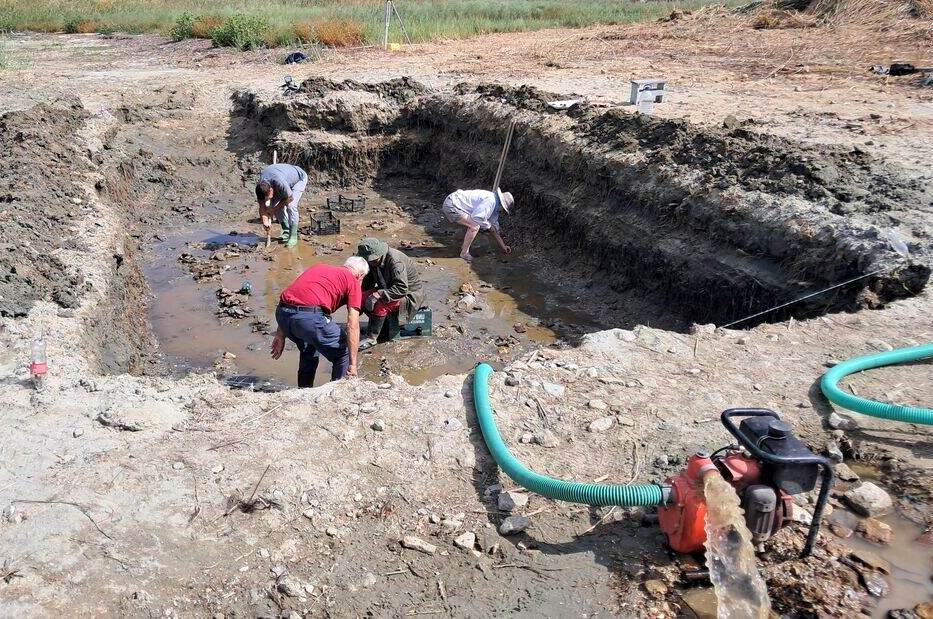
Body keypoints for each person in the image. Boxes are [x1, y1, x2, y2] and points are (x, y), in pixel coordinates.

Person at [271, 256, 369, 386]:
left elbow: (296, 296)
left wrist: (280, 333)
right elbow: (353, 324)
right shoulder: (353, 280)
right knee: (343, 350)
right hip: (309, 318)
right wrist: (353, 364)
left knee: (308, 348)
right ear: (360, 276)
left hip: (282, 313)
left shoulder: (319, 267)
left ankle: (304, 390)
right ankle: (338, 393)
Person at [355, 237, 425, 350]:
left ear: (379, 254)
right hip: (388, 289)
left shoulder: (395, 262)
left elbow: (402, 289)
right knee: (361, 298)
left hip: (408, 295)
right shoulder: (373, 263)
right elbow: (366, 285)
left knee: (379, 304)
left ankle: (372, 338)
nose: (370, 262)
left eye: (371, 260)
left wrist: (379, 294)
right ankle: (378, 326)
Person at [441, 188, 514, 261]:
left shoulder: (495, 206)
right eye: (504, 209)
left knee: (471, 223)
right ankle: (464, 253)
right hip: (452, 204)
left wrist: (503, 246)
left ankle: (463, 246)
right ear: (501, 204)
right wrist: (488, 226)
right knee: (474, 226)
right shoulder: (491, 201)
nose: (502, 211)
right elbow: (477, 218)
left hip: (455, 203)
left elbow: (494, 230)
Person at [256, 163, 308, 248]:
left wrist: (274, 209)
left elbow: (290, 198)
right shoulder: (260, 188)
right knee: (275, 205)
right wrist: (265, 221)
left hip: (299, 178)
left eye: (269, 196)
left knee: (291, 206)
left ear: (271, 189)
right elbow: (262, 206)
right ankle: (286, 230)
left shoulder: (279, 182)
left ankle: (294, 235)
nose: (268, 199)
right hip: (282, 179)